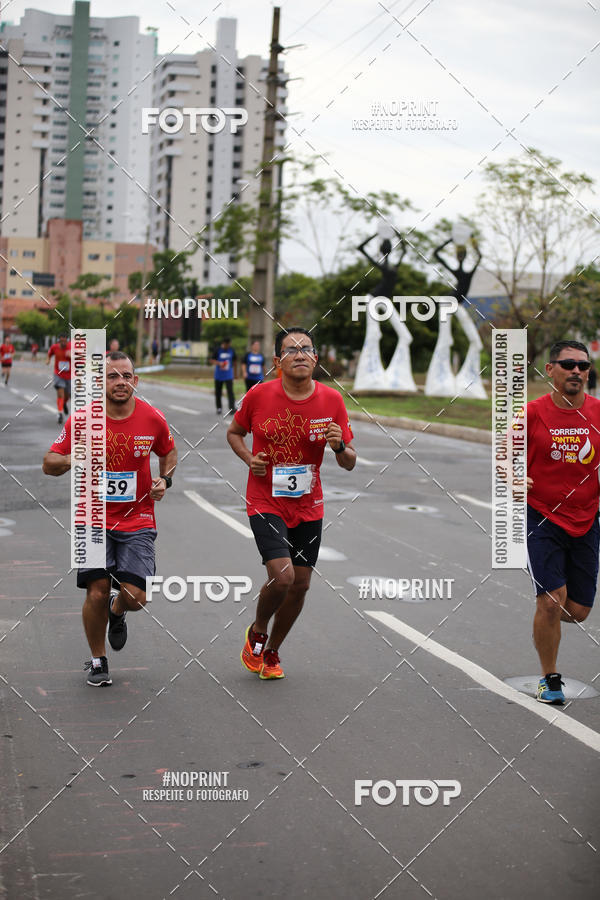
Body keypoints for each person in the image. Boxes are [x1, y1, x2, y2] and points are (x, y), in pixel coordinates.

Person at [227, 327, 356, 680]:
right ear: (277, 361)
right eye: (291, 350)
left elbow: (349, 461)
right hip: (265, 499)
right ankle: (258, 630)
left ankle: (272, 651)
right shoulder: (259, 395)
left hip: (308, 505)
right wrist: (249, 459)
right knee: (283, 577)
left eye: (306, 349)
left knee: (301, 584)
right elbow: (234, 432)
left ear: (316, 358)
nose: (300, 355)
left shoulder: (332, 400)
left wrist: (339, 447)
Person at [42, 351, 177, 687]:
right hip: (92, 518)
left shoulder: (152, 418)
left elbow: (169, 451)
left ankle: (118, 612)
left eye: (126, 376)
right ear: (100, 382)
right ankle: (98, 659)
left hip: (138, 519)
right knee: (96, 591)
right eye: (112, 376)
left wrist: (165, 479)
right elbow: (49, 463)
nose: (120, 382)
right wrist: (75, 458)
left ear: (136, 381)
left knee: (137, 597)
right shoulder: (82, 419)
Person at [526, 340, 600, 705]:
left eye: (583, 366)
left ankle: (547, 614)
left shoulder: (598, 413)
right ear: (550, 369)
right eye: (568, 364)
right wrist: (511, 474)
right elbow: (505, 454)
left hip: (587, 518)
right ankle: (549, 679)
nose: (576, 371)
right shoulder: (532, 413)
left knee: (578, 611)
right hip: (542, 516)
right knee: (552, 602)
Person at [47, 334, 72, 423]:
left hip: (69, 375)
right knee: (60, 394)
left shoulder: (72, 347)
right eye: (61, 341)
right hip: (58, 374)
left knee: (68, 395)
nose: (63, 343)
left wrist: (72, 356)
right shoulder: (54, 347)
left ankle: (64, 403)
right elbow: (49, 353)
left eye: (65, 341)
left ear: (67, 341)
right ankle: (60, 413)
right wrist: (48, 360)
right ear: (59, 341)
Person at [210, 337, 236, 415]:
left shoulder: (231, 350)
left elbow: (235, 360)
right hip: (219, 375)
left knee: (230, 392)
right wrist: (219, 363)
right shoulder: (217, 350)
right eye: (226, 345)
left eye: (229, 345)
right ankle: (219, 408)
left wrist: (235, 373)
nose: (228, 346)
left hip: (228, 375)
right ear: (223, 343)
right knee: (218, 392)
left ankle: (232, 408)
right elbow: (211, 360)